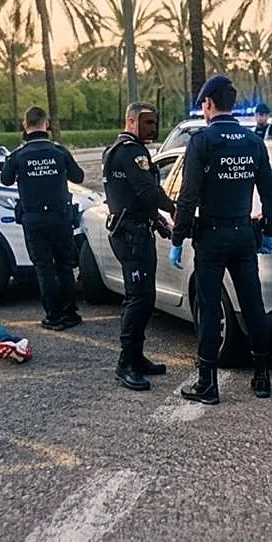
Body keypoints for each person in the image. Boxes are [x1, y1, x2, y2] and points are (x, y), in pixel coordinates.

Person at [170, 75, 272, 404]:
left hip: (212, 237)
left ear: (207, 104)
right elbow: (270, 193)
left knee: (208, 307)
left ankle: (208, 384)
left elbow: (188, 196)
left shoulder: (202, 142)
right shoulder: (252, 142)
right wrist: (269, 232)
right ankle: (262, 377)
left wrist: (178, 237)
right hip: (244, 234)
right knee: (253, 305)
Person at [102, 103, 176, 390]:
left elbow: (133, 197)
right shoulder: (130, 151)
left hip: (134, 229)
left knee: (145, 296)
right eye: (146, 122)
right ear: (131, 121)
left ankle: (137, 356)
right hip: (130, 234)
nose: (152, 127)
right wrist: (172, 209)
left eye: (154, 122)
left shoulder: (121, 150)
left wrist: (158, 221)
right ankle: (126, 363)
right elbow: (147, 191)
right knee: (138, 298)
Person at [0, 106, 85, 330]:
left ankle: (53, 316)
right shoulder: (59, 151)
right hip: (60, 218)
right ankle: (69, 313)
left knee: (44, 268)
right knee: (65, 266)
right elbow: (79, 176)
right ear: (46, 124)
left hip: (34, 219)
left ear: (25, 126)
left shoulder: (18, 155)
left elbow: (5, 180)